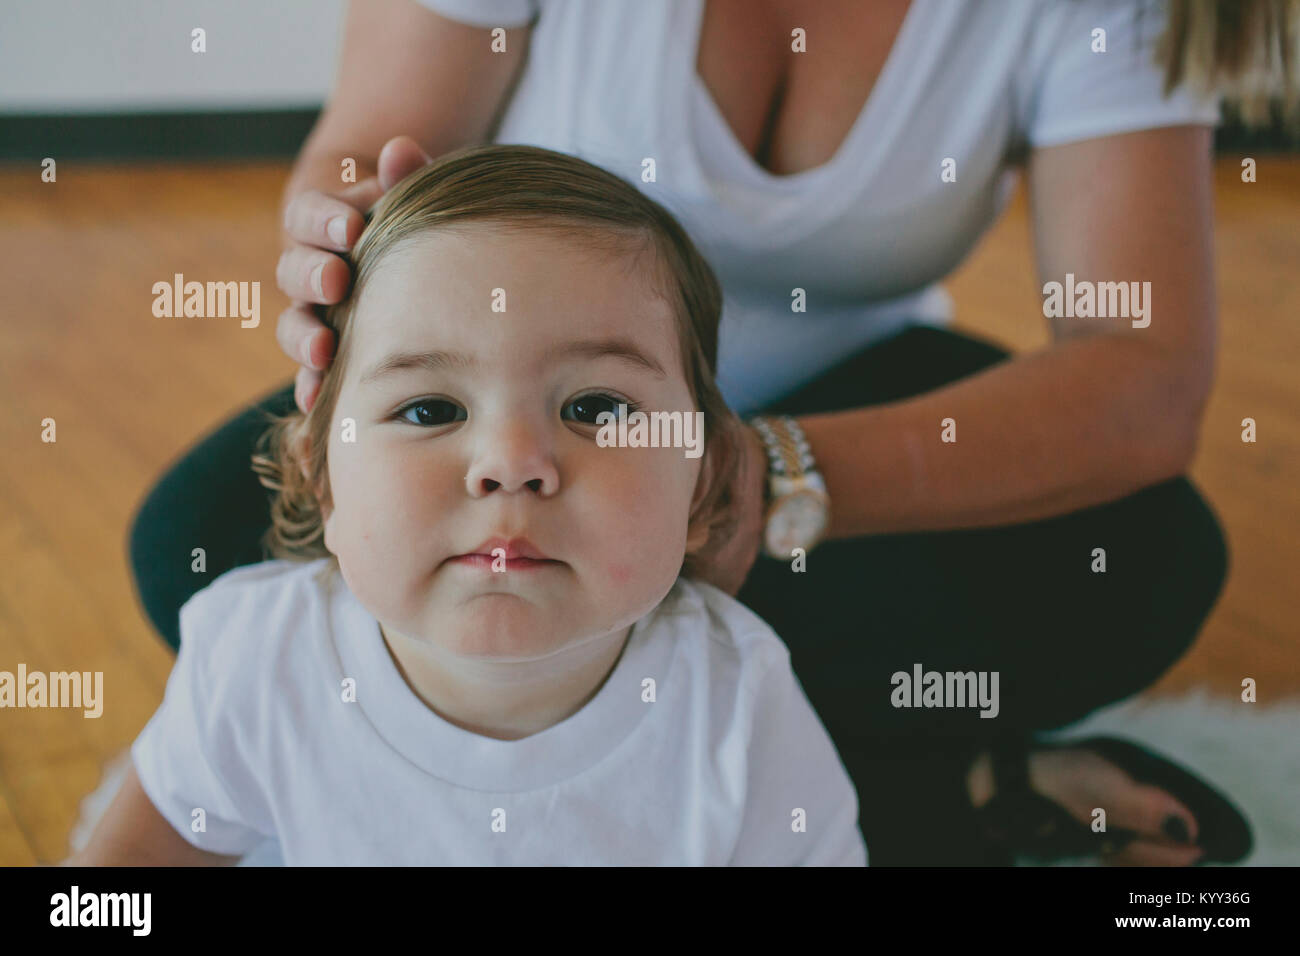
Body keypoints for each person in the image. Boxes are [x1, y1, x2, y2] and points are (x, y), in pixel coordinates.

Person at [126, 0, 1292, 865]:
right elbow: (370, 140)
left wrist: (767, 473)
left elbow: (1136, 374)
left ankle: (896, 783)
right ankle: (921, 779)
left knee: (1139, 554)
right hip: (525, 393)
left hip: (845, 408)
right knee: (203, 535)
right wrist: (343, 227)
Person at [70, 145, 868, 866]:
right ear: (321, 477)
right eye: (429, 410)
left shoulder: (736, 704)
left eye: (595, 408)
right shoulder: (257, 666)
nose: (512, 466)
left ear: (704, 480)